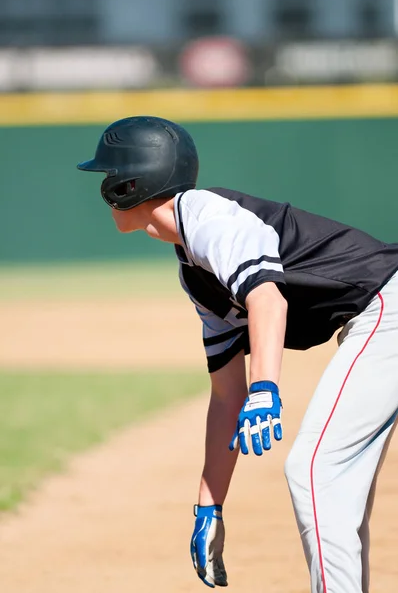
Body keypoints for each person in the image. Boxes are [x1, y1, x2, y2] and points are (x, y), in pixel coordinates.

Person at [77, 115, 398, 593]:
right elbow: (227, 394)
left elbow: (267, 297)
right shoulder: (196, 270)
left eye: (108, 175)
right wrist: (210, 504)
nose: (103, 187)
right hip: (380, 313)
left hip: (387, 306)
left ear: (132, 181)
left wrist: (267, 388)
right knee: (334, 484)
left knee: (314, 472)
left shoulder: (209, 217)